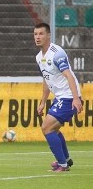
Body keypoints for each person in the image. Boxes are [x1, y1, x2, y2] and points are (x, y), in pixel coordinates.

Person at [34, 23, 82, 173]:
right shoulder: (39, 57)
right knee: (53, 129)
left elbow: (69, 76)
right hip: (61, 97)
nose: (37, 37)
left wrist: (76, 99)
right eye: (35, 34)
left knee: (46, 127)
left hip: (68, 97)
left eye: (41, 34)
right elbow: (46, 80)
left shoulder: (57, 53)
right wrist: (43, 101)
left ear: (48, 35)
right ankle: (66, 160)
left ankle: (62, 164)